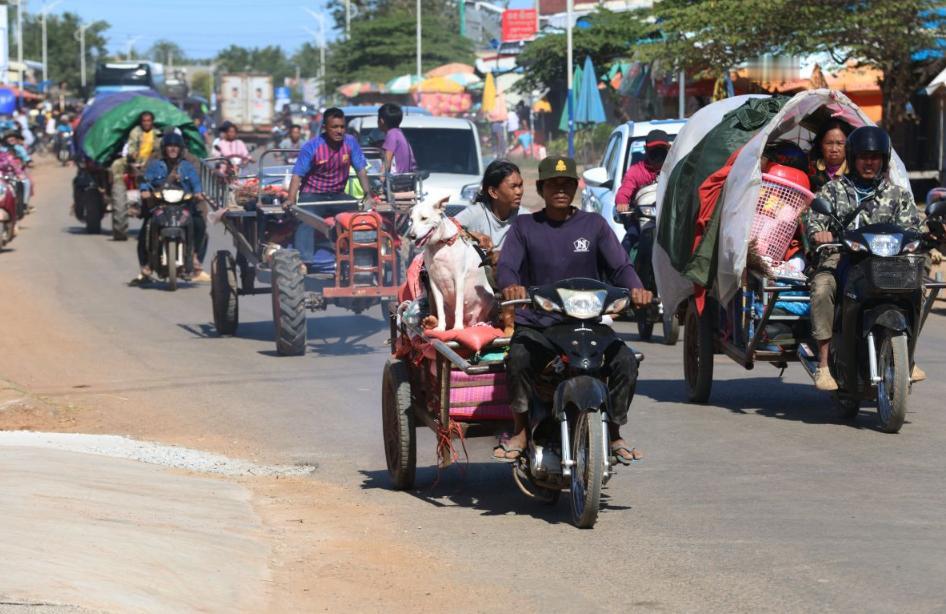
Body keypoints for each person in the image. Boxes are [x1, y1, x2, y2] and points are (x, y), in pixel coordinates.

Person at [495, 156, 652, 463]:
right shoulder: (525, 227)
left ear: (576, 188)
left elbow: (620, 267)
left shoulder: (594, 225)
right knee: (518, 357)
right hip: (540, 324)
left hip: (587, 324)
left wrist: (637, 288)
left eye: (567, 184)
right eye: (553, 184)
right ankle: (521, 430)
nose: (561, 190)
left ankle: (615, 432)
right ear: (541, 188)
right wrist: (511, 286)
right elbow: (508, 267)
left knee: (626, 362)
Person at [807, 126, 923, 391]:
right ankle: (823, 365)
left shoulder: (898, 194)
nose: (869, 162)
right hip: (841, 257)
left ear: (883, 160)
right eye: (863, 157)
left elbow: (912, 226)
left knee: (920, 286)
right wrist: (820, 233)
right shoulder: (833, 190)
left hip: (886, 262)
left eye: (875, 157)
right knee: (822, 288)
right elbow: (814, 221)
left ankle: (908, 356)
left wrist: (920, 236)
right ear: (853, 158)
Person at [285, 107, 375, 264]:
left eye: (342, 127)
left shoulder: (350, 142)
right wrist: (291, 200)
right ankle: (304, 262)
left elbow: (361, 169)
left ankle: (361, 257)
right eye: (334, 127)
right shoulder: (312, 146)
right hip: (312, 196)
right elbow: (297, 174)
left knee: (360, 216)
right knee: (305, 219)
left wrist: (368, 195)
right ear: (325, 128)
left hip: (338, 195)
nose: (339, 131)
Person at [131, 132, 208, 285]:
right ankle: (147, 266)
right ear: (164, 149)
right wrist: (145, 190)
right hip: (160, 205)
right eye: (169, 146)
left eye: (176, 146)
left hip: (183, 205)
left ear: (181, 149)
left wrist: (198, 192)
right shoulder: (155, 164)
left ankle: (193, 255)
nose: (173, 149)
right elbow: (146, 179)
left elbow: (195, 182)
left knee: (199, 224)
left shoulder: (187, 166)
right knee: (146, 230)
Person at [614, 130, 671, 251]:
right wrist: (622, 202)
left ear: (669, 149)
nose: (658, 155)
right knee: (626, 245)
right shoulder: (635, 171)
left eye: (661, 150)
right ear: (646, 150)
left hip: (670, 220)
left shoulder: (675, 169)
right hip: (640, 221)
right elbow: (624, 190)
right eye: (653, 151)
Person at [454, 159, 522, 259]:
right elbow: (444, 230)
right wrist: (471, 235)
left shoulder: (524, 218)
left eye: (520, 185)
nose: (519, 192)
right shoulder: (476, 213)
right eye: (513, 186)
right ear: (493, 192)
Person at [808, 120, 849, 192]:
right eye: (829, 143)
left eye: (840, 143)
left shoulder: (854, 172)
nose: (834, 149)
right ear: (820, 144)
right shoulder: (810, 169)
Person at [377, 103, 416, 175]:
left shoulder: (391, 134)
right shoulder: (398, 133)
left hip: (396, 179)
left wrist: (380, 178)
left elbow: (386, 163)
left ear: (381, 121)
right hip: (405, 178)